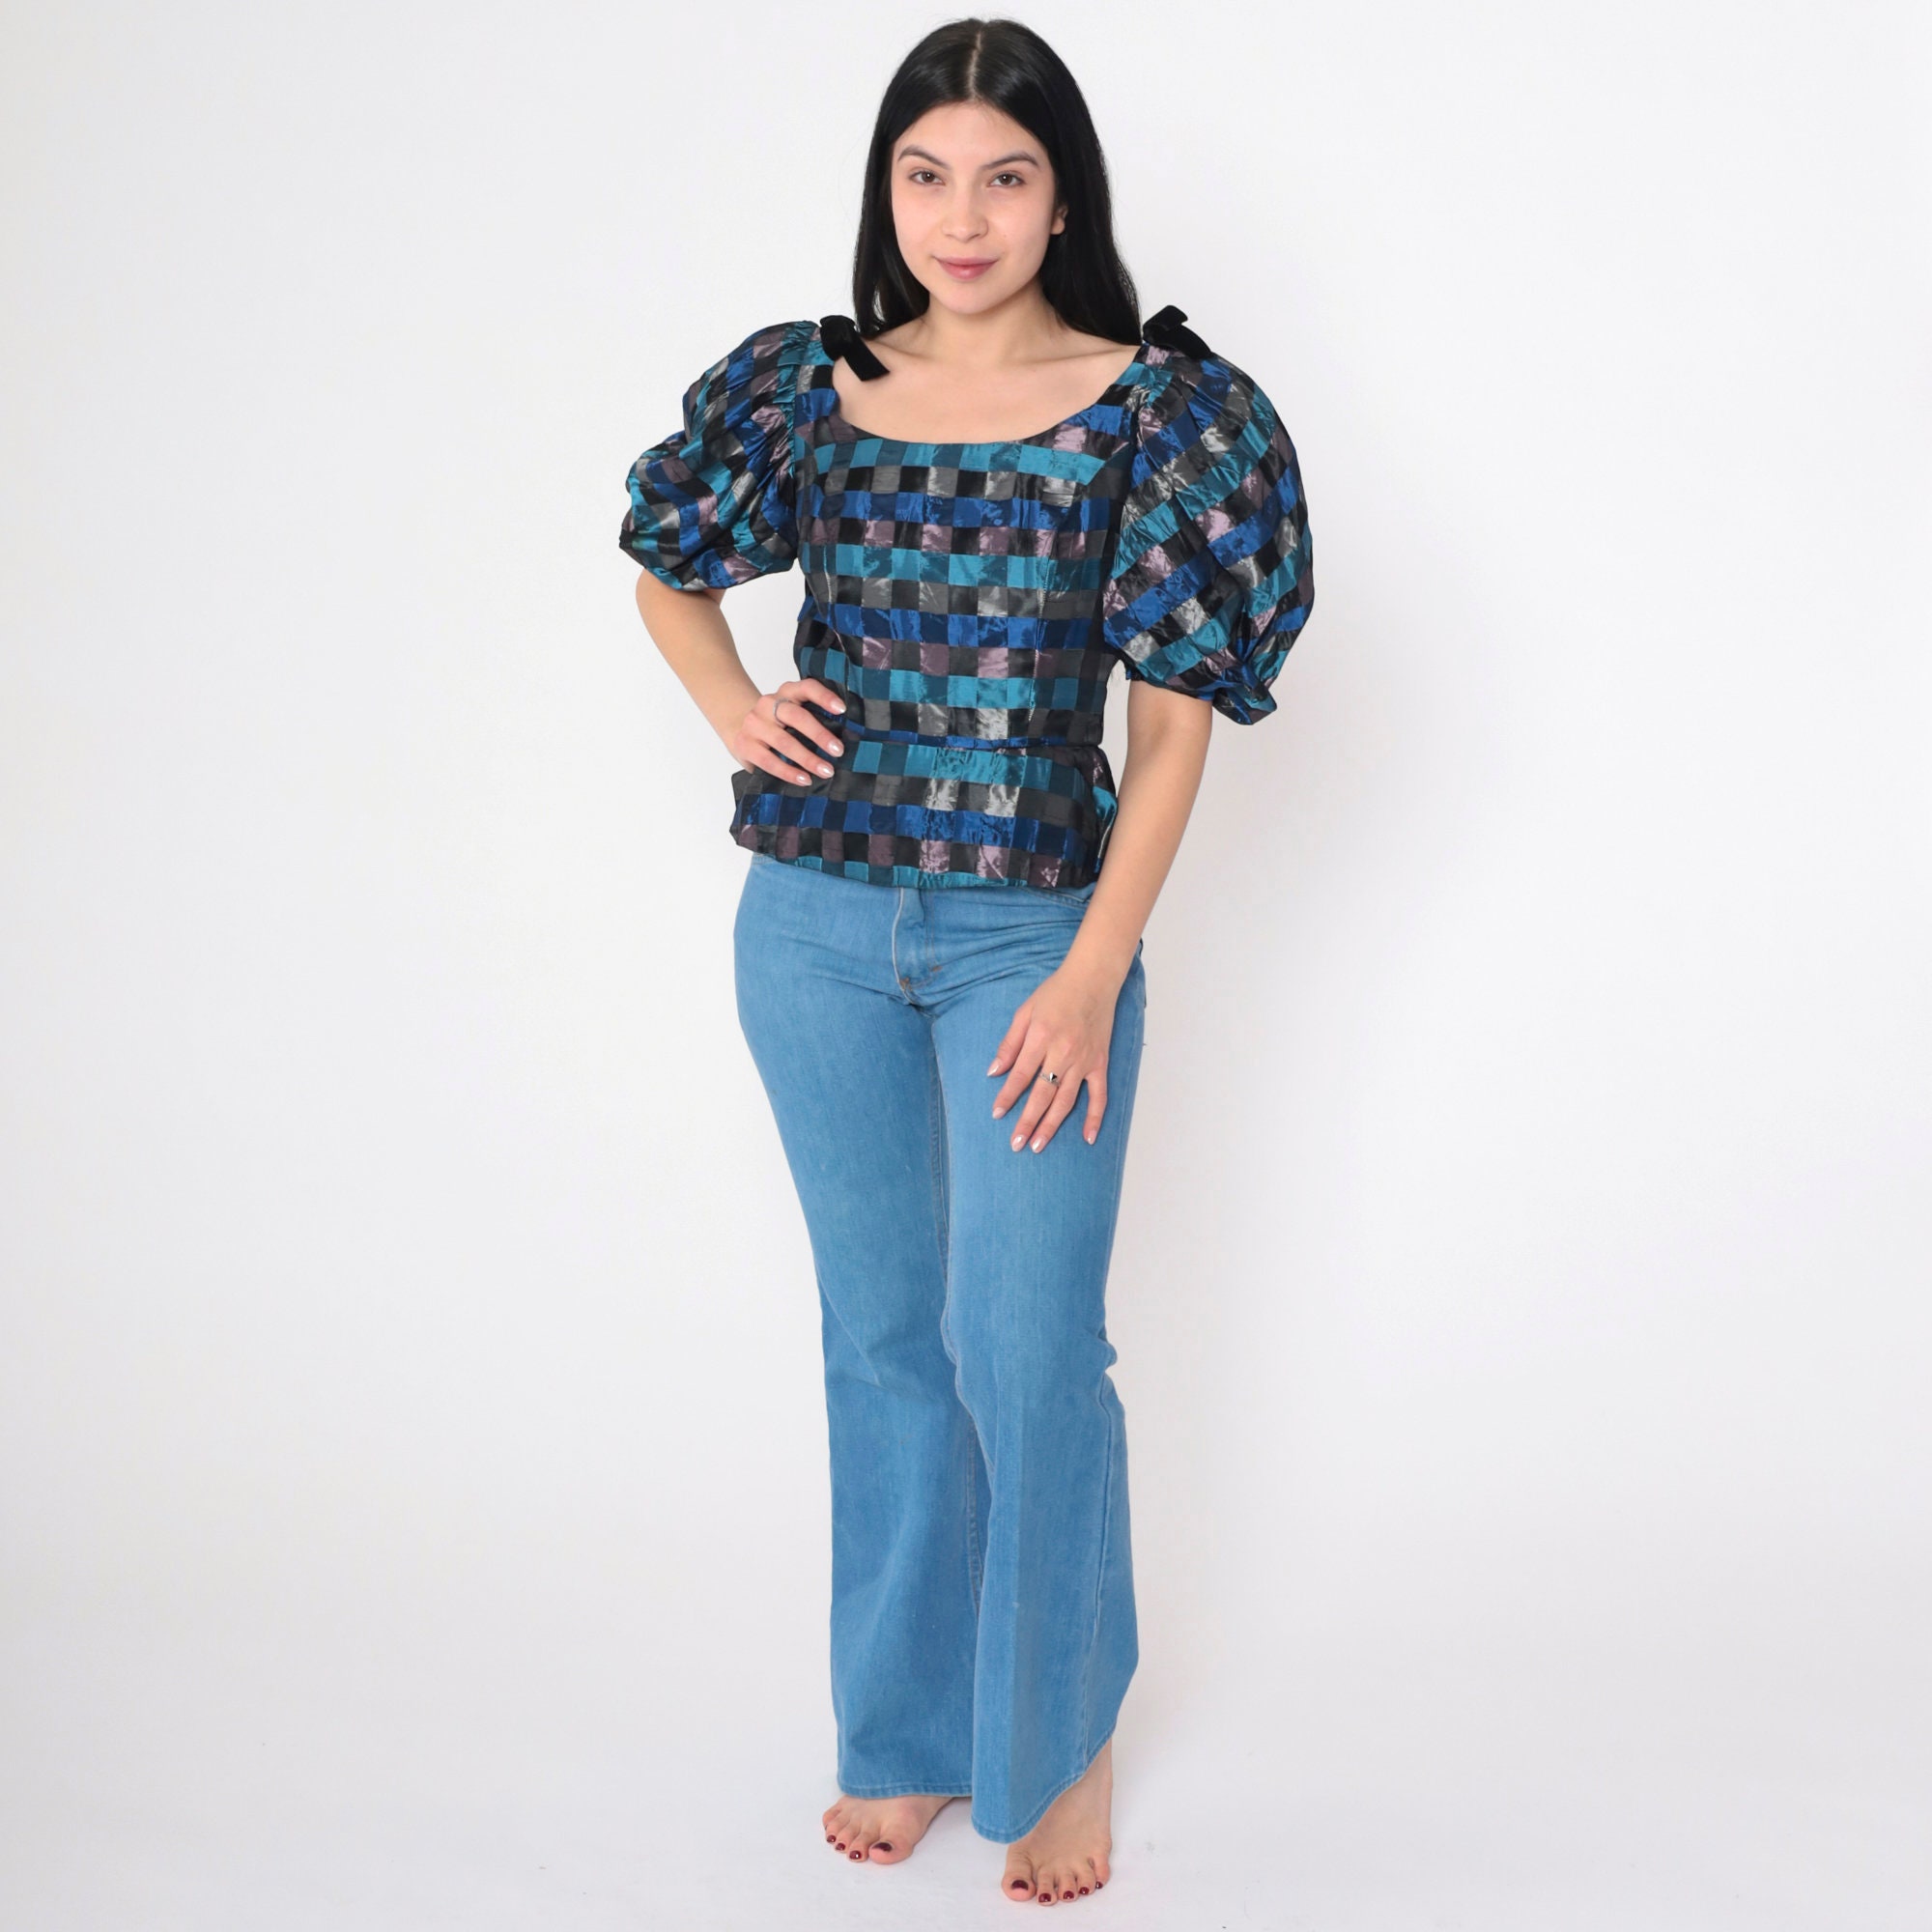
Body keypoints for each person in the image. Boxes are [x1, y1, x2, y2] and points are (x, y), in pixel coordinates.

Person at [616, 16, 1314, 1907]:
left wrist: (1091, 969)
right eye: (925, 174)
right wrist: (735, 707)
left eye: (1005, 176)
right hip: (815, 928)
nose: (963, 214)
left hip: (1031, 931)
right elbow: (666, 564)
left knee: (1027, 1345)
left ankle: (1057, 1744)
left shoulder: (1157, 412)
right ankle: (909, 1733)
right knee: (884, 1344)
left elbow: (1170, 733)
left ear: (1062, 198)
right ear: (888, 192)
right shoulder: (806, 390)